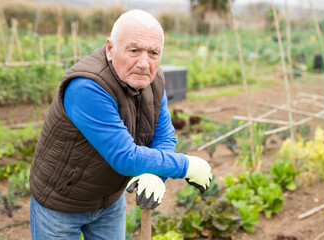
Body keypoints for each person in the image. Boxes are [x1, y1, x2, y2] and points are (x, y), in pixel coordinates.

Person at [29, 9, 212, 240]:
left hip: (110, 200)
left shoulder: (155, 80)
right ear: (110, 49)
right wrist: (185, 165)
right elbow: (125, 157)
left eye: (153, 53)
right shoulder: (87, 87)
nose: (144, 63)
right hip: (61, 202)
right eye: (134, 50)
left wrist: (157, 176)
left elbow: (163, 136)